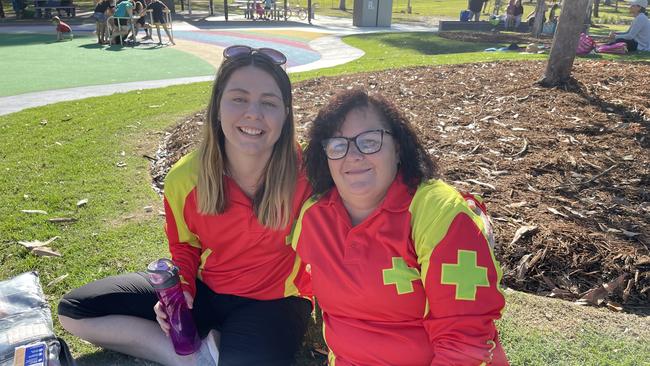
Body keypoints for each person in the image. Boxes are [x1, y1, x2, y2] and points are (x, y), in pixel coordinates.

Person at [57, 45, 313, 366]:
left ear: (285, 113)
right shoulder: (185, 178)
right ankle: (195, 359)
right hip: (206, 291)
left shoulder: (311, 174)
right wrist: (181, 291)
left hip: (274, 302)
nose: (253, 113)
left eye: (269, 102)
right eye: (238, 98)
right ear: (217, 108)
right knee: (75, 311)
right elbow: (184, 246)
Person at [292, 88, 508, 365]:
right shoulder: (313, 218)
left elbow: (466, 342)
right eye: (338, 145)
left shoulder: (440, 214)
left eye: (369, 141)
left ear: (398, 148)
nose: (353, 155)